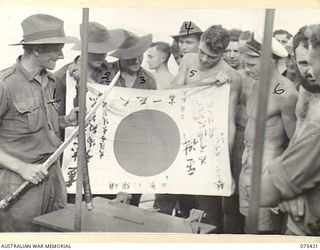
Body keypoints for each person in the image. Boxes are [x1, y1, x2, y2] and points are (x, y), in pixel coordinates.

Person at [0, 14, 78, 232]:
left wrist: (66, 121)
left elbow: (41, 125)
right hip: (19, 182)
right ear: (36, 49)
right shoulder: (5, 84)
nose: (62, 55)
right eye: (57, 48)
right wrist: (22, 167)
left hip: (53, 176)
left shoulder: (51, 80)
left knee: (56, 235)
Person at [171, 25, 242, 231]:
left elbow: (229, 122)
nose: (203, 60)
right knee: (179, 207)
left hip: (209, 148)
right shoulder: (188, 60)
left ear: (223, 53)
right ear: (199, 43)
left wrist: (223, 164)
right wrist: (206, 83)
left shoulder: (231, 76)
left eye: (211, 57)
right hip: (181, 141)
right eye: (202, 52)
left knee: (207, 213)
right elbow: (170, 92)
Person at [55, 22, 126, 203]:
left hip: (105, 152)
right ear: (83, 50)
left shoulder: (110, 72)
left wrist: (88, 80)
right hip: (72, 155)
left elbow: (119, 102)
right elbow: (56, 119)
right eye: (95, 50)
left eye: (104, 50)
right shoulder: (61, 77)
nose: (101, 55)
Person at [260, 24, 320, 236]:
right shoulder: (306, 88)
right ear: (293, 59)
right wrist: (291, 189)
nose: (309, 72)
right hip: (297, 198)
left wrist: (289, 185)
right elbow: (297, 137)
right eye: (303, 63)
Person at [239, 34, 298, 234]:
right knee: (248, 221)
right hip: (248, 159)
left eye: (252, 64)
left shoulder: (285, 92)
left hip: (269, 164)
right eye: (245, 64)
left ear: (270, 61)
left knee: (264, 227)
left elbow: (296, 142)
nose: (247, 70)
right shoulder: (255, 84)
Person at [110, 30, 157, 206]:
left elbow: (152, 117)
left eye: (140, 56)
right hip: (107, 147)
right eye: (131, 57)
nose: (137, 61)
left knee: (132, 206)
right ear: (121, 56)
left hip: (136, 150)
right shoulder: (105, 72)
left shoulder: (149, 80)